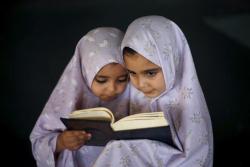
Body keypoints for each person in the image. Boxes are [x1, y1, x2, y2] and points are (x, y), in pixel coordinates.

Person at [93, 15, 213, 166]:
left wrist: (141, 150)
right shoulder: (137, 97)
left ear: (172, 61)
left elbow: (196, 159)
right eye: (132, 73)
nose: (141, 84)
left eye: (150, 73)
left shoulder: (188, 106)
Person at [30, 27, 130, 167]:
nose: (112, 89)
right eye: (102, 80)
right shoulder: (67, 98)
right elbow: (38, 142)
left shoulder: (136, 96)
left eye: (122, 79)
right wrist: (61, 142)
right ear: (84, 72)